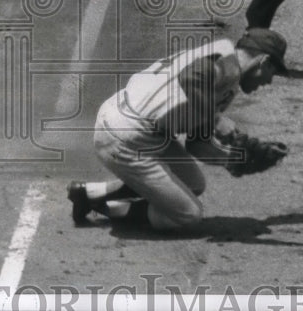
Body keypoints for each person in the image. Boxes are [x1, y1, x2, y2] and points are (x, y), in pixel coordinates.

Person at [67, 28, 288, 232]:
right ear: (264, 61)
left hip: (132, 127)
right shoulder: (227, 66)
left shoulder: (223, 64)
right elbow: (190, 79)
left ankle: (88, 193)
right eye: (273, 73)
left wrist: (234, 161)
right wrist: (217, 120)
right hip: (126, 136)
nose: (268, 82)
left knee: (194, 184)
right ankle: (105, 208)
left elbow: (197, 144)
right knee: (188, 215)